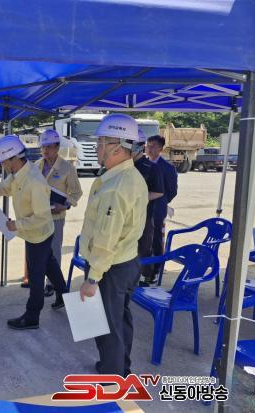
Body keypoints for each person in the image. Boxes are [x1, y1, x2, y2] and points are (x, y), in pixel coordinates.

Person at [0, 135, 67, 330]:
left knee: (36, 277)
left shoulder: (35, 181)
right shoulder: (18, 173)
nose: (3, 165)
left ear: (14, 158)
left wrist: (16, 225)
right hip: (34, 233)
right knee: (49, 264)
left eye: (4, 161)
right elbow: (4, 189)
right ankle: (63, 294)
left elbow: (42, 217)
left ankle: (32, 317)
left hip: (39, 235)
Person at [78, 113, 148, 377]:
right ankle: (120, 368)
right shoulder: (128, 176)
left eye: (101, 143)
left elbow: (106, 239)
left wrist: (92, 278)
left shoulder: (116, 186)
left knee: (107, 325)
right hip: (125, 261)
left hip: (110, 266)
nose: (96, 147)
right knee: (119, 319)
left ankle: (112, 377)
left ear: (117, 148)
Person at [35, 129, 82, 297]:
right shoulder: (37, 165)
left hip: (56, 217)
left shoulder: (67, 168)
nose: (45, 150)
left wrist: (65, 205)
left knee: (53, 251)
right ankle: (38, 280)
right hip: (38, 216)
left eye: (48, 147)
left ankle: (51, 284)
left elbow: (76, 192)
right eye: (43, 147)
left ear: (57, 147)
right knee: (37, 250)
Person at [132, 129, 164, 287]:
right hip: (126, 215)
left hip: (144, 216)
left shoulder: (151, 167)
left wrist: (138, 199)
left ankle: (146, 278)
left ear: (140, 146)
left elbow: (158, 192)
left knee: (144, 248)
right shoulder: (125, 166)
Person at [145, 135, 178, 282]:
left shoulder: (168, 168)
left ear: (160, 148)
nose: (149, 148)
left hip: (157, 209)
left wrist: (162, 201)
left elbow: (172, 191)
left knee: (156, 239)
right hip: (142, 208)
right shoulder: (143, 164)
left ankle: (156, 269)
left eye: (153, 146)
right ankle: (143, 267)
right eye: (148, 145)